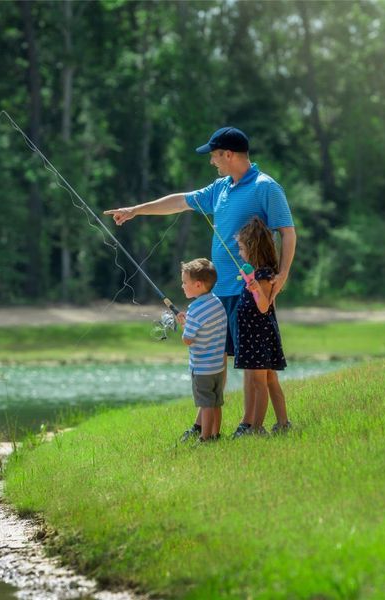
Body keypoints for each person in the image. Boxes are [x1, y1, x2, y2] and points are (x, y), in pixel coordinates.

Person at [105, 126, 296, 439]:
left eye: (215, 156)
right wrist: (135, 210)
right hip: (217, 293)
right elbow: (180, 201)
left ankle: (249, 425)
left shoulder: (266, 188)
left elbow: (287, 232)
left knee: (252, 363)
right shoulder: (220, 188)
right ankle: (201, 426)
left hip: (250, 291)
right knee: (213, 356)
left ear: (229, 154)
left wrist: (282, 275)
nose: (212, 163)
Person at [234, 216, 291, 436]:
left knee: (261, 383)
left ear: (252, 248)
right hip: (254, 336)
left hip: (259, 336)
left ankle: (257, 427)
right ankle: (283, 423)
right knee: (269, 379)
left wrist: (256, 288)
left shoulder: (264, 275)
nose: (239, 253)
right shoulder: (255, 274)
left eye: (241, 248)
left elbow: (264, 306)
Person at [177, 258, 227, 442]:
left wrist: (185, 326)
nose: (182, 286)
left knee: (206, 404)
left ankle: (205, 438)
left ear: (197, 285)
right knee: (216, 403)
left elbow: (188, 339)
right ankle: (215, 434)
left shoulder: (194, 310)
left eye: (184, 282)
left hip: (202, 368)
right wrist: (189, 322)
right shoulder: (216, 303)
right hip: (217, 367)